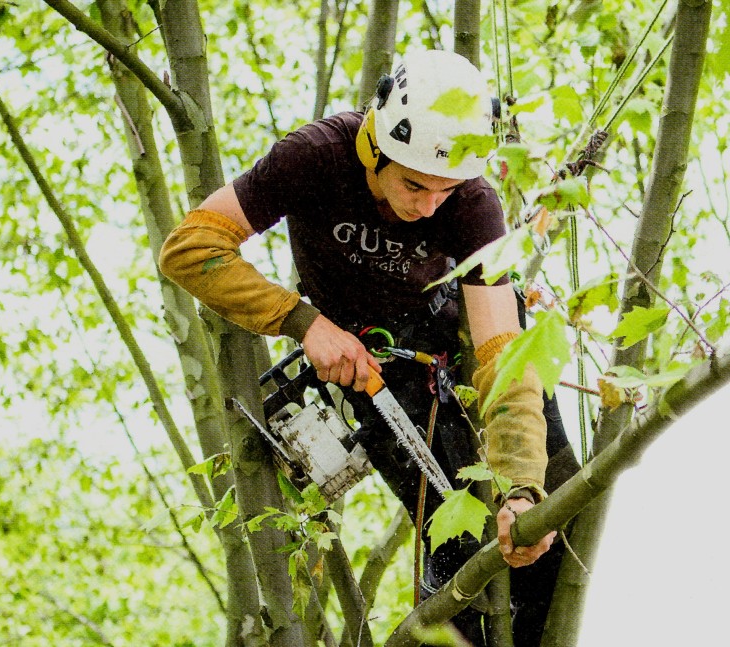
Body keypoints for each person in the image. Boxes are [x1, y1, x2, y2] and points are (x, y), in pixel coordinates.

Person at [159, 49, 579, 646]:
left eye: (446, 188)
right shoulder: (315, 157)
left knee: (564, 528)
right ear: (377, 147)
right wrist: (302, 321)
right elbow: (190, 247)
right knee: (461, 561)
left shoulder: (476, 203)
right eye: (414, 184)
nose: (429, 204)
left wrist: (521, 489)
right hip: (380, 380)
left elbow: (502, 354)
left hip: (456, 353)